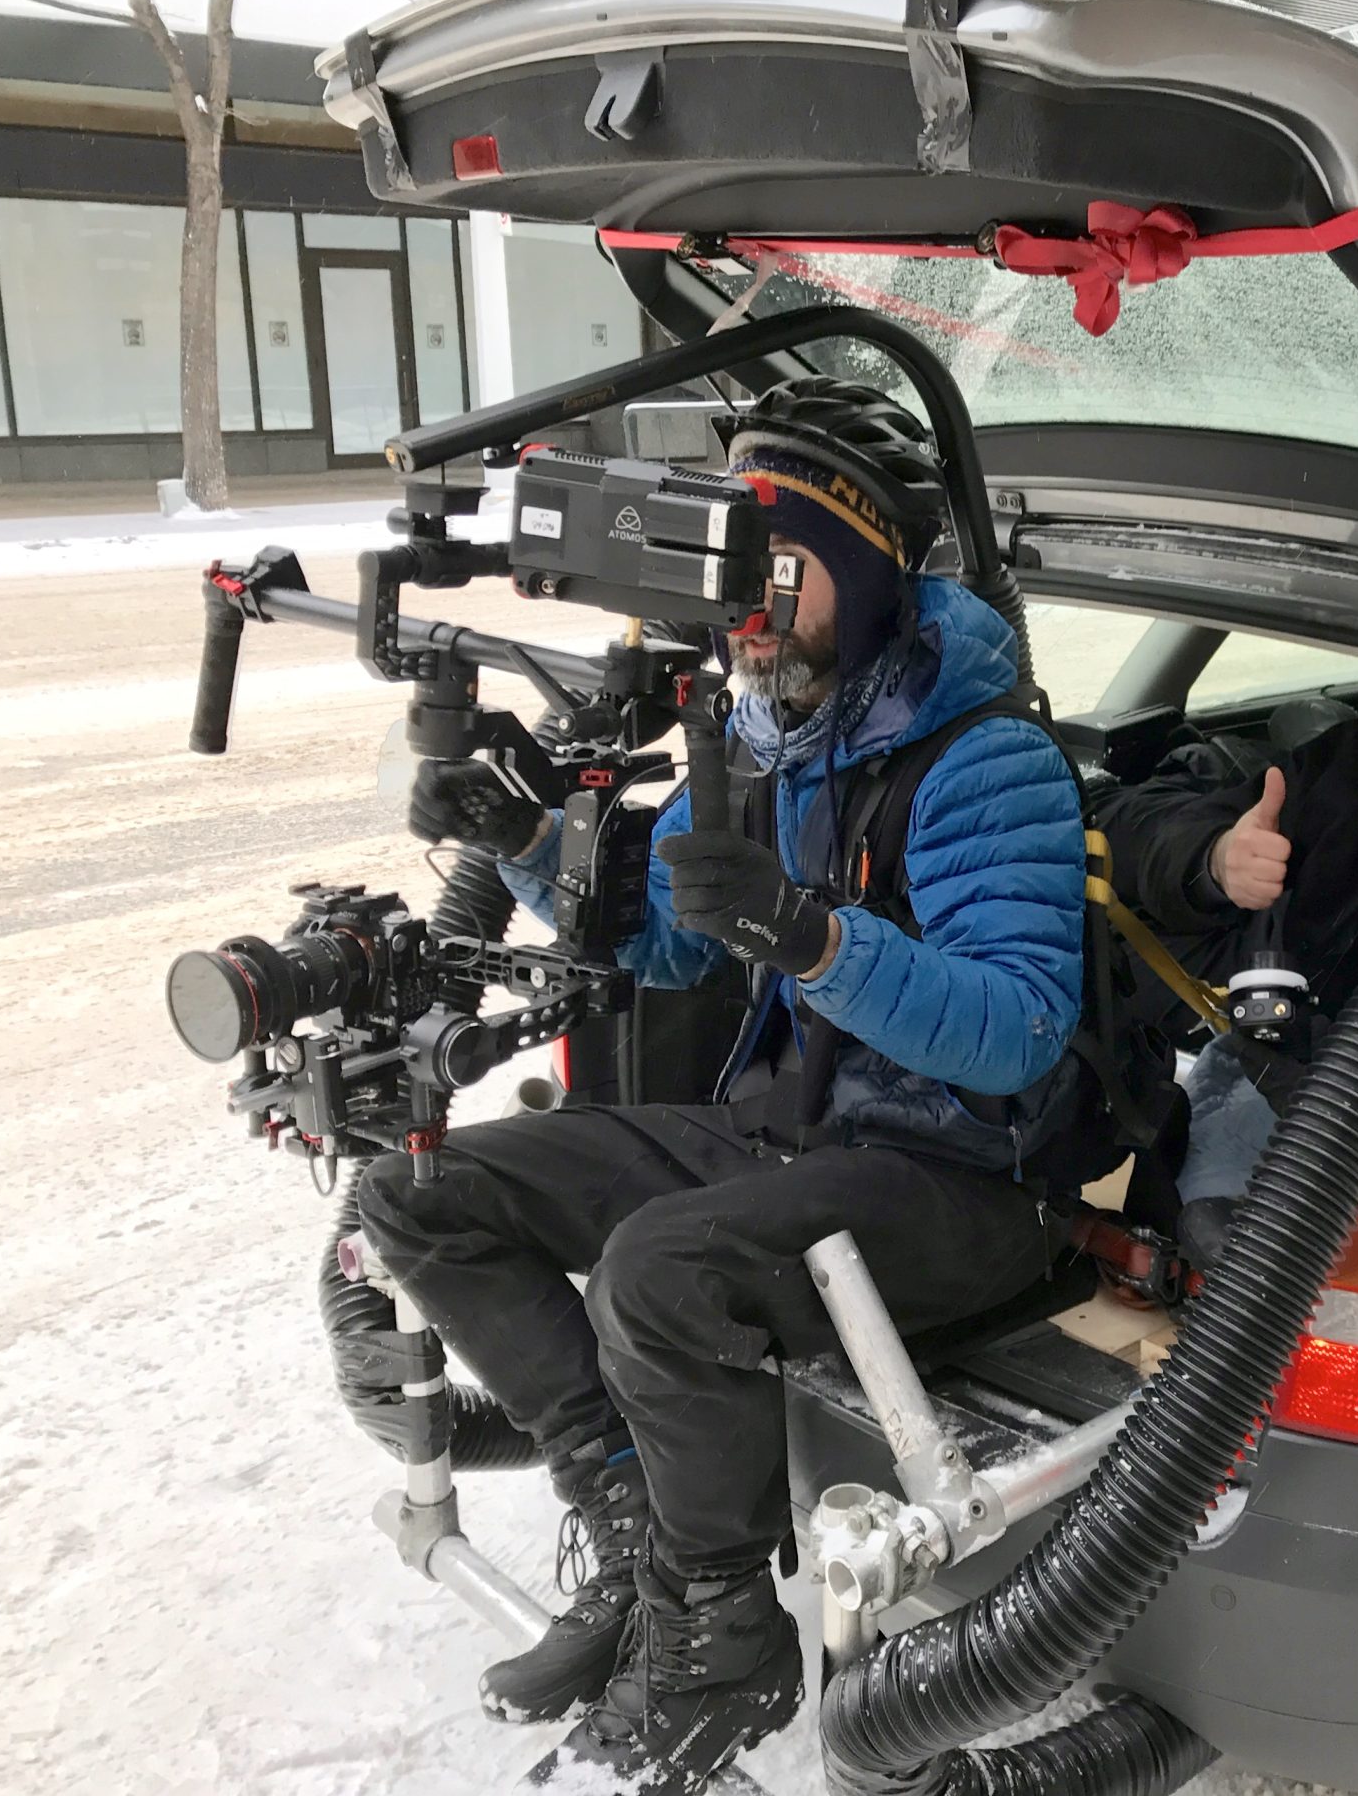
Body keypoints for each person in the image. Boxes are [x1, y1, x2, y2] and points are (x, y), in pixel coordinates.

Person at [359, 378, 1089, 1794]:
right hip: (787, 1131)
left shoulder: (985, 758)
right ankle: (636, 1544)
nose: (755, 599)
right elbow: (663, 940)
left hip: (959, 1175)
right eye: (741, 560)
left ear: (871, 570)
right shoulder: (756, 735)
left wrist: (813, 936)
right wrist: (525, 847)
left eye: (790, 563)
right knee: (422, 1191)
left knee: (658, 1271)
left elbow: (1017, 1031)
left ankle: (725, 1632)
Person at [1099, 674, 1358, 1263]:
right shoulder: (1346, 769)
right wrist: (1215, 859)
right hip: (1203, 1057)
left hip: (1336, 1139)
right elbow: (1125, 832)